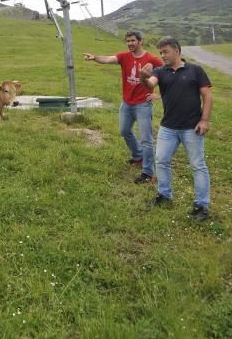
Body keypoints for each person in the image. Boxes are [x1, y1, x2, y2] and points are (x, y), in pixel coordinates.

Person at [140, 36, 212, 221]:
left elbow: (207, 96)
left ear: (177, 51)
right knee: (161, 161)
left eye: (165, 52)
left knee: (197, 165)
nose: (162, 56)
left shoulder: (195, 70)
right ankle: (164, 195)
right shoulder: (160, 71)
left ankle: (202, 205)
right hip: (168, 128)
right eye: (160, 52)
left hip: (192, 128)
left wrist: (204, 120)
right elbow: (150, 85)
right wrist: (143, 76)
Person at [84, 30, 163, 183]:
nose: (130, 44)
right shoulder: (124, 56)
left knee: (146, 138)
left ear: (140, 41)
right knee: (124, 131)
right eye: (127, 41)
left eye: (133, 41)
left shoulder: (152, 59)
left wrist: (159, 95)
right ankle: (138, 155)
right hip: (127, 102)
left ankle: (148, 172)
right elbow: (108, 59)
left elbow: (166, 74)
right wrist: (95, 58)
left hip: (143, 104)